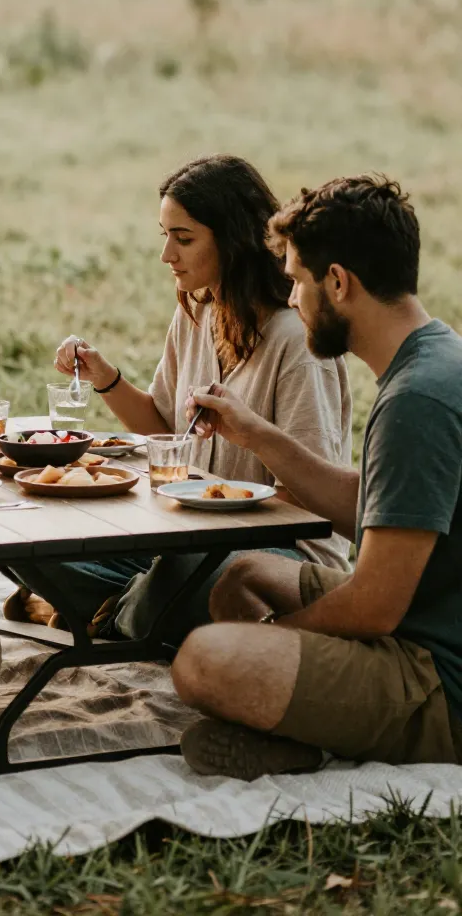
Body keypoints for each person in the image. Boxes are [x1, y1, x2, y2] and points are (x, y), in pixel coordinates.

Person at [174, 174, 462, 780]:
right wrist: (255, 434)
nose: (294, 297)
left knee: (203, 658)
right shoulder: (433, 359)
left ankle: (299, 722)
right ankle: (298, 722)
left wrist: (282, 639)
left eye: (299, 279)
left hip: (437, 676)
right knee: (239, 575)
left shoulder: (419, 400)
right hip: (421, 618)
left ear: (338, 282)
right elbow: (384, 505)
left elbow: (375, 607)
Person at [4, 154, 352, 641]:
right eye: (164, 235)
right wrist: (106, 377)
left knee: (187, 571)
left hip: (279, 551)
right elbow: (162, 429)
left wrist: (202, 517)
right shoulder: (198, 312)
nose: (167, 254)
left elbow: (307, 498)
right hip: (190, 534)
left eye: (183, 238)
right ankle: (128, 605)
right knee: (36, 540)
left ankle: (102, 612)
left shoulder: (295, 341)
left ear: (232, 240)